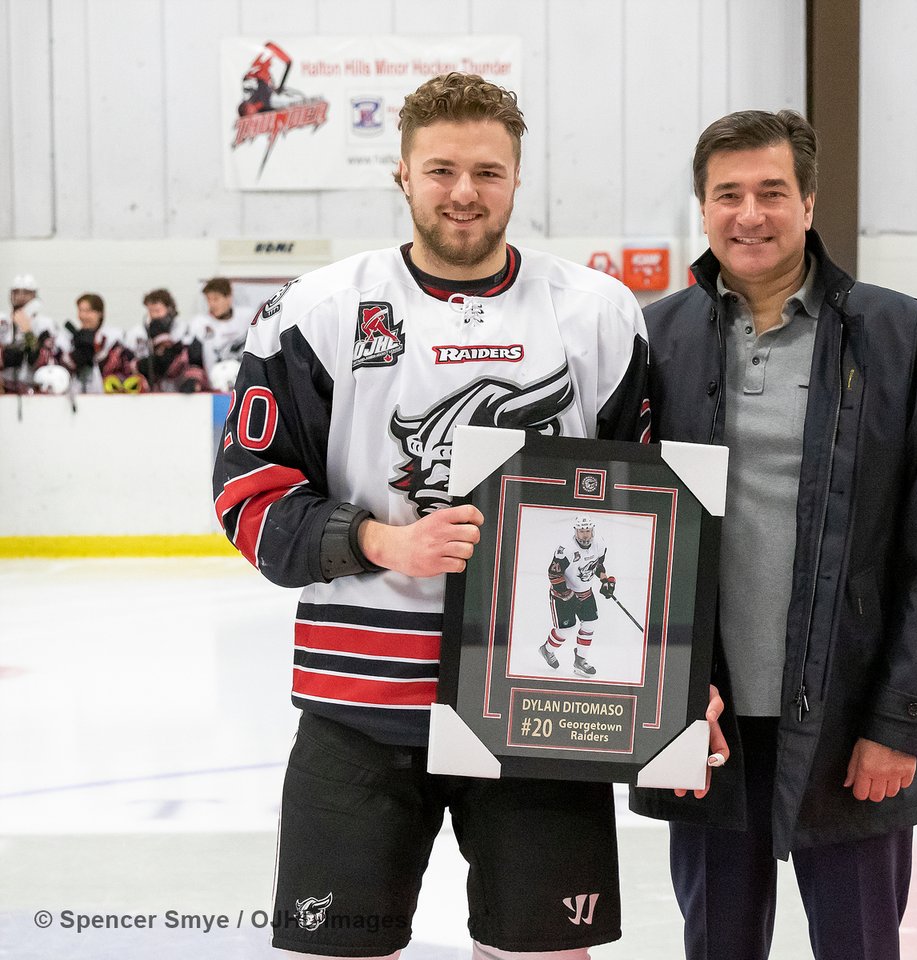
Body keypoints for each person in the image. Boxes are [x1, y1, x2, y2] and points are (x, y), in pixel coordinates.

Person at [212, 72, 652, 960]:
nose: (464, 192)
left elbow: (650, 515)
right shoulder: (317, 312)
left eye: (488, 172)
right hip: (359, 705)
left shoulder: (599, 314)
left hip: (544, 706)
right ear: (403, 176)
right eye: (441, 169)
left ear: (518, 179)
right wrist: (378, 540)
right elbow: (246, 495)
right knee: (337, 950)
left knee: (545, 951)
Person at [629, 109, 917, 960]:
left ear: (809, 203)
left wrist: (899, 724)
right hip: (704, 727)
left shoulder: (899, 334)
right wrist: (662, 696)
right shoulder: (653, 337)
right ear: (702, 210)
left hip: (852, 726)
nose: (750, 214)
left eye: (772, 192)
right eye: (728, 194)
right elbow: (620, 529)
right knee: (718, 945)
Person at [540, 515, 615, 678]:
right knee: (566, 630)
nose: (585, 535)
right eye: (581, 531)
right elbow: (554, 574)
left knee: (590, 623)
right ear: (576, 531)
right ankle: (547, 650)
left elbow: (597, 565)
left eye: (588, 530)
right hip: (562, 594)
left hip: (585, 592)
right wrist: (567, 594)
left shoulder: (599, 544)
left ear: (592, 530)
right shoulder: (565, 549)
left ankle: (580, 661)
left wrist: (604, 580)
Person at [58, 293, 139, 392]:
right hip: (75, 395)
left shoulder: (113, 337)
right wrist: (79, 354)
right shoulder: (69, 337)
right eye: (80, 310)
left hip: (106, 397)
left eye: (88, 311)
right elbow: (62, 368)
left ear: (100, 313)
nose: (83, 316)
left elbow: (125, 367)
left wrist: (98, 351)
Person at [134, 288, 207, 391]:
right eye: (150, 311)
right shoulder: (139, 333)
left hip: (179, 390)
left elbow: (194, 360)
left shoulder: (183, 329)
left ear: (169, 309)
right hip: (153, 392)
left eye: (157, 311)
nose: (154, 315)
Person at [186, 277, 250, 390]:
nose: (211, 304)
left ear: (229, 298)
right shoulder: (200, 323)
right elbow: (194, 360)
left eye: (216, 299)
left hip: (245, 387)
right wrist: (195, 380)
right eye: (208, 300)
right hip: (214, 390)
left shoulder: (247, 318)